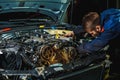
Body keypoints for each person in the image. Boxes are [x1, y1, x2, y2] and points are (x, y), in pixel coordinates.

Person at [65, 8, 120, 78]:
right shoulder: (104, 15)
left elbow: (97, 44)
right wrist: (74, 31)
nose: (92, 35)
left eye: (92, 33)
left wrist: (78, 49)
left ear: (98, 28)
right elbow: (90, 24)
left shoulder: (110, 27)